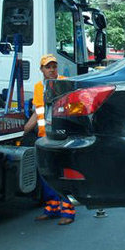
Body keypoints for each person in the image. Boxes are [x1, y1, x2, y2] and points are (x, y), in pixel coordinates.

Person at [23, 54, 75, 225]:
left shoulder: (64, 83)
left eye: (54, 66)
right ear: (42, 69)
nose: (52, 70)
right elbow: (38, 112)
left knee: (61, 174)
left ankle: (67, 212)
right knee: (46, 174)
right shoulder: (39, 87)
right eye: (48, 67)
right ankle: (52, 207)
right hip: (44, 137)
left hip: (60, 136)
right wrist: (24, 130)